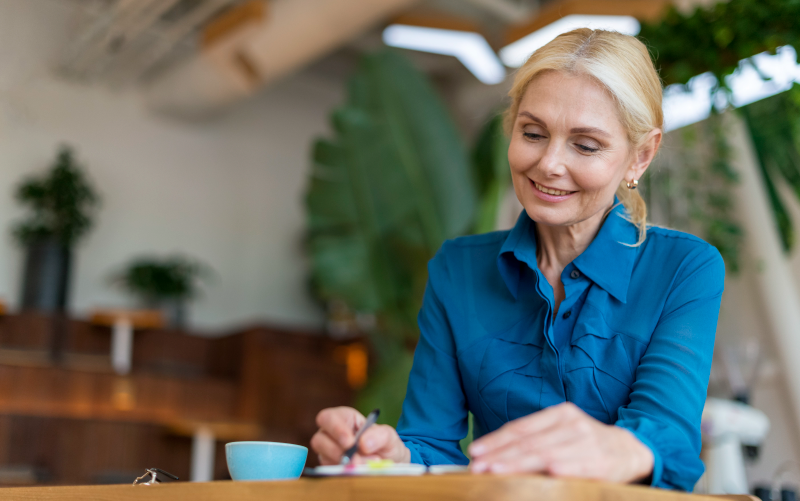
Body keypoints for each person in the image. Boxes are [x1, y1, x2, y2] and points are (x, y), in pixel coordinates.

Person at [310, 28, 724, 491]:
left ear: (640, 157)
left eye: (585, 145)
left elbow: (667, 438)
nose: (548, 163)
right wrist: (387, 455)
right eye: (533, 133)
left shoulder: (685, 269)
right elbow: (429, 444)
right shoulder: (457, 270)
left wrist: (613, 448)